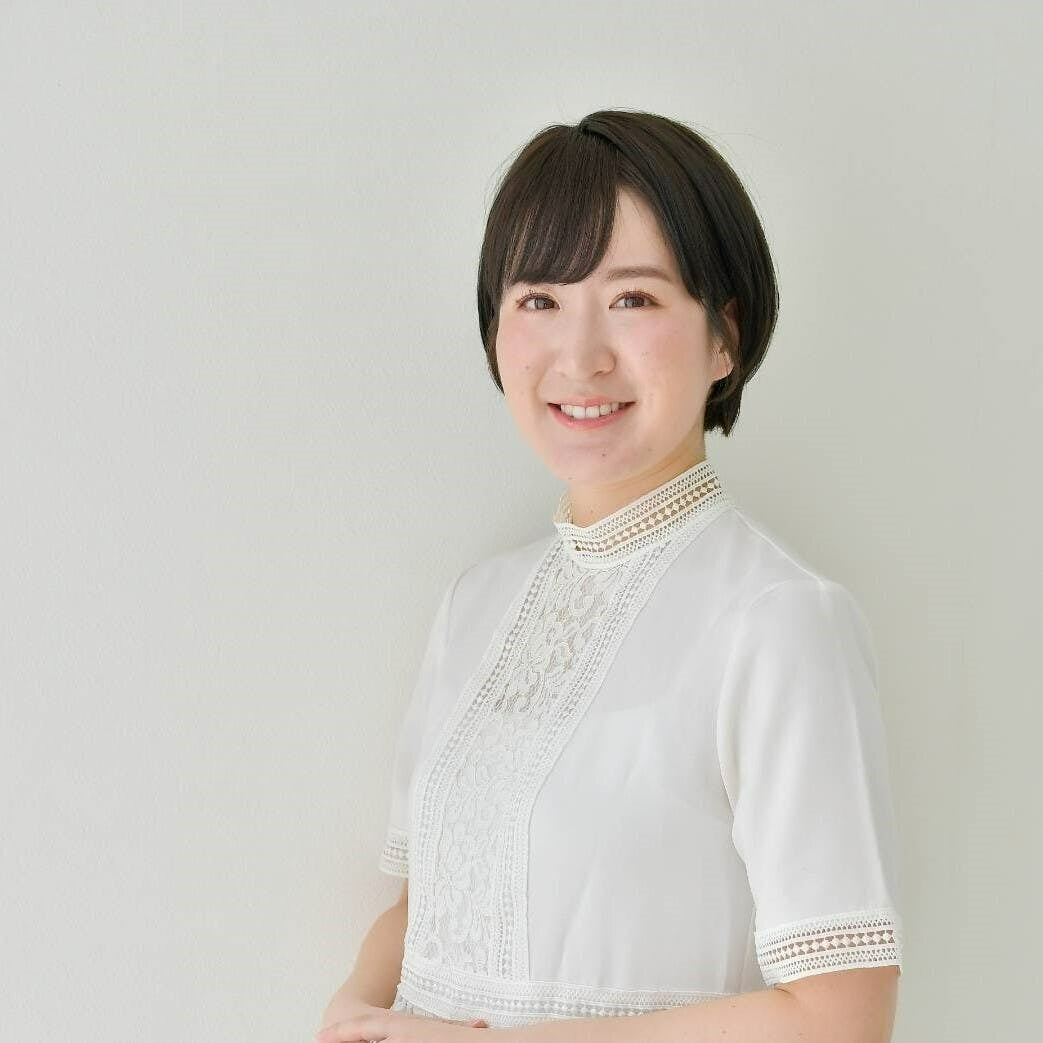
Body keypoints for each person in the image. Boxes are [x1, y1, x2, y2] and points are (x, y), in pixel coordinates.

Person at [317, 110, 904, 1043]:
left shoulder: (780, 619)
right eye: (538, 300)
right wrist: (353, 1003)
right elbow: (423, 902)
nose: (580, 356)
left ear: (724, 336)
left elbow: (840, 1018)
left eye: (631, 299)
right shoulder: (476, 604)